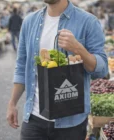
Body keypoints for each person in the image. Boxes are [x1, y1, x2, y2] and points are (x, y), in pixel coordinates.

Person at [7, 0, 108, 140]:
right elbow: (22, 66)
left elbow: (101, 70)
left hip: (71, 122)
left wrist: (77, 48)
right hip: (34, 117)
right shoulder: (29, 22)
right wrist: (12, 103)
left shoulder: (88, 22)